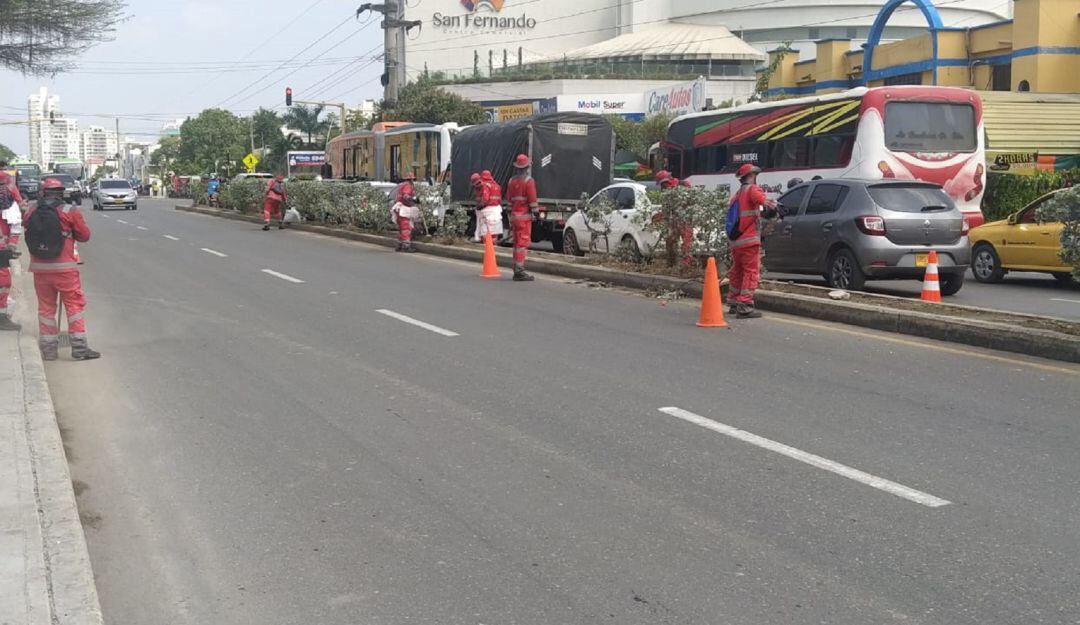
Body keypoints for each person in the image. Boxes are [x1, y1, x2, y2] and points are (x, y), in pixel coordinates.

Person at [23, 177, 99, 360]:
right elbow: (84, 236)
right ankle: (79, 349)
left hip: (40, 269)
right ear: (61, 193)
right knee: (74, 307)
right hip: (65, 270)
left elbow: (26, 228)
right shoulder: (69, 210)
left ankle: (49, 350)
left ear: (42, 193)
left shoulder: (31, 210)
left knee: (46, 309)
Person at [726, 163, 777, 319]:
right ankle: (745, 306)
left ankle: (733, 301)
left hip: (736, 241)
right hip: (749, 241)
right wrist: (774, 206)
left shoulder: (737, 194)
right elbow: (765, 202)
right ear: (752, 175)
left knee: (737, 271)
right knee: (751, 272)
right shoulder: (752, 189)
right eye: (755, 175)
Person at [505, 154, 538, 282]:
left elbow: (509, 201)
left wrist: (510, 215)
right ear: (527, 167)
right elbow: (532, 200)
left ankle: (516, 268)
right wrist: (536, 213)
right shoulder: (529, 181)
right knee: (522, 244)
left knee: (516, 244)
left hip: (514, 217)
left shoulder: (511, 181)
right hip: (524, 219)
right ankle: (519, 271)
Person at [0, 168, 24, 331]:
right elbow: (15, 226)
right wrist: (11, 245)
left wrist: (12, 245)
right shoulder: (10, 198)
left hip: (3, 249)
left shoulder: (9, 206)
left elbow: (15, 227)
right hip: (1, 251)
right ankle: (2, 318)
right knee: (4, 282)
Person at [654, 170, 694, 266]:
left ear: (666, 181)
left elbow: (693, 200)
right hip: (673, 221)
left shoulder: (684, 185)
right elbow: (666, 208)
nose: (662, 187)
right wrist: (660, 216)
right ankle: (671, 263)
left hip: (685, 220)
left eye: (662, 184)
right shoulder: (665, 191)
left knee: (687, 243)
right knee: (670, 242)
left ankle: (687, 263)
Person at [392, 172, 419, 253]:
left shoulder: (402, 185)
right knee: (406, 228)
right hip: (404, 209)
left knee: (401, 229)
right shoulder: (408, 186)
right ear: (411, 179)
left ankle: (400, 245)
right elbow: (406, 196)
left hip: (399, 209)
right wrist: (413, 199)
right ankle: (406, 246)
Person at [476, 170, 504, 243]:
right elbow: (499, 199)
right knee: (494, 232)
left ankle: (487, 246)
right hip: (496, 211)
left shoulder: (486, 186)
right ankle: (493, 245)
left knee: (485, 231)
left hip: (487, 211)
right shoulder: (497, 185)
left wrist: (480, 206)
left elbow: (485, 199)